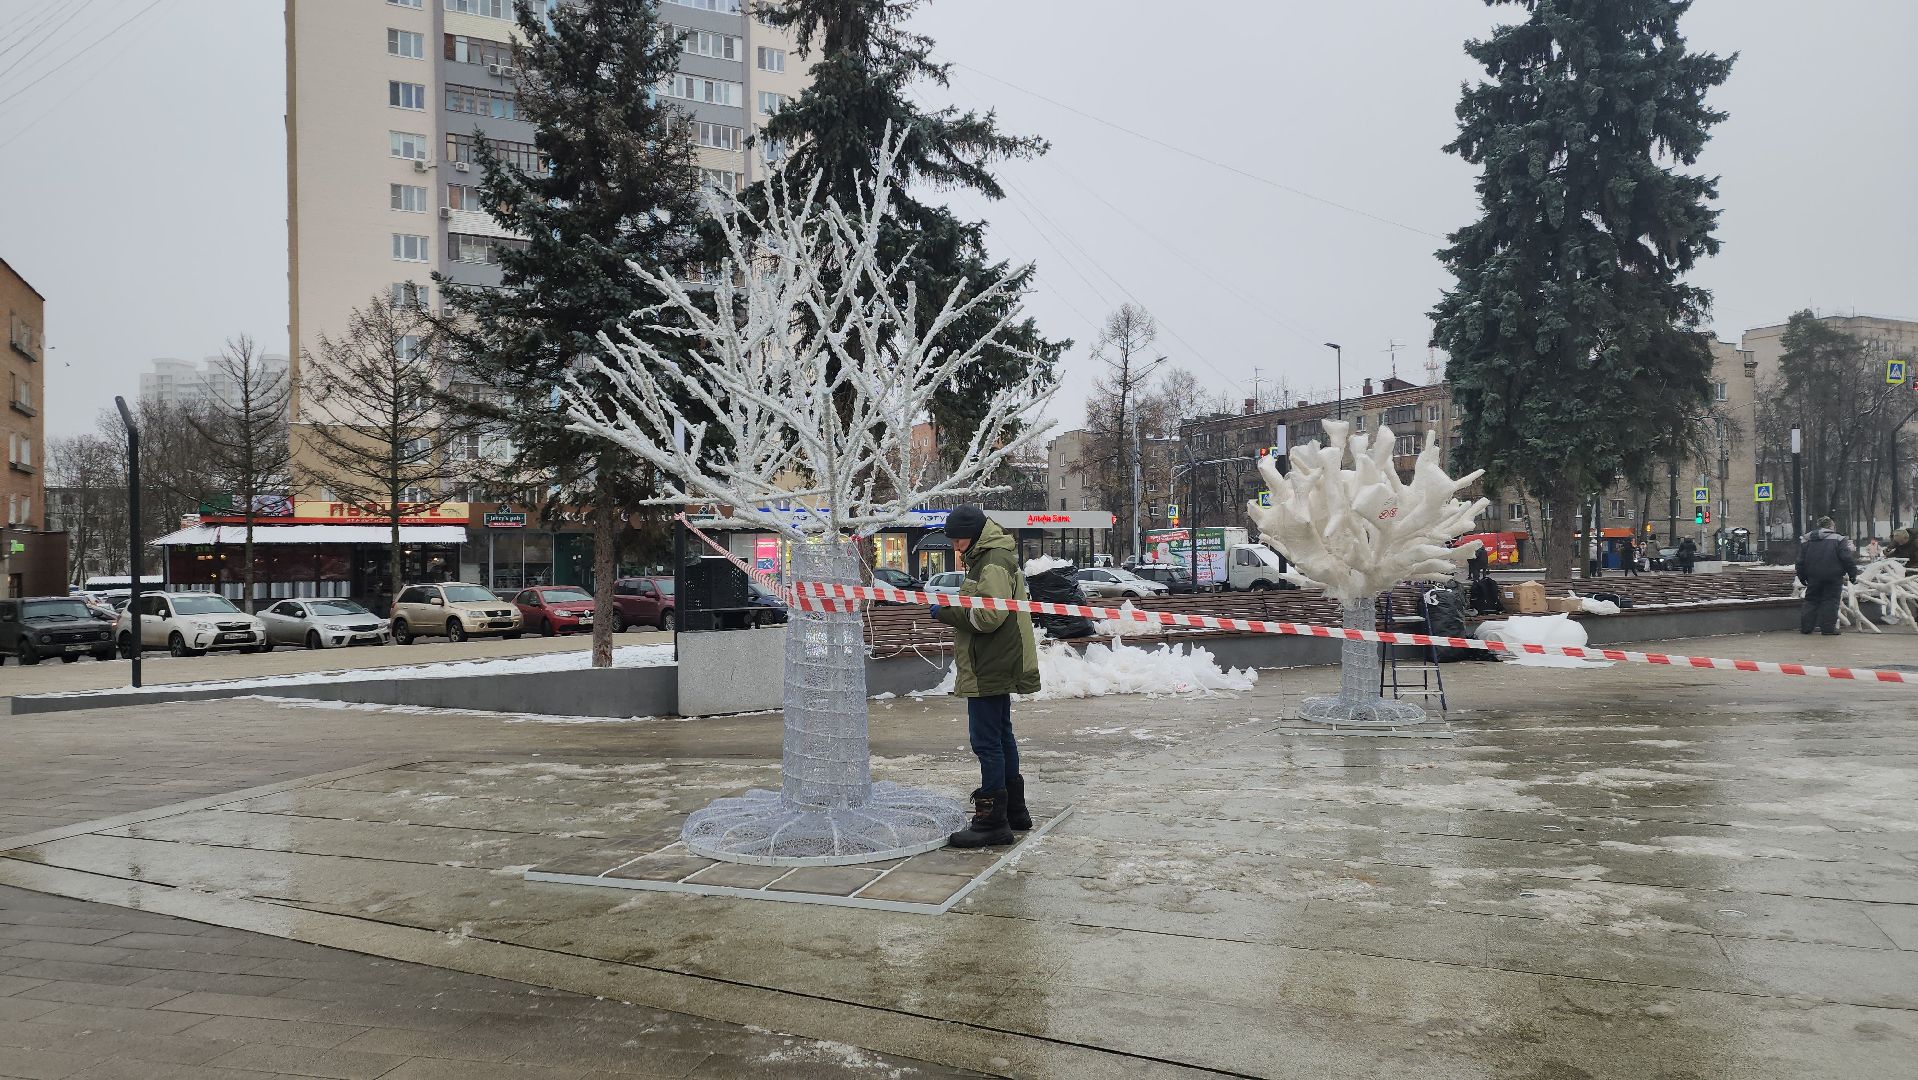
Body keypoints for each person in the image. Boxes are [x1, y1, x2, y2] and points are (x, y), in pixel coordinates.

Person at [929, 505, 1041, 848]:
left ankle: (992, 821)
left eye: (958, 538)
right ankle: (1014, 813)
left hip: (989, 662)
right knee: (1002, 736)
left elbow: (988, 617)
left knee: (986, 741)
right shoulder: (991, 555)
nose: (954, 545)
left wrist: (947, 613)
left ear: (973, 535)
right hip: (997, 659)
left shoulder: (991, 560)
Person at [1796, 516, 1860, 636]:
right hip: (1833, 576)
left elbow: (1800, 560)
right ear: (1831, 526)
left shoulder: (1807, 539)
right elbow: (1846, 558)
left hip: (1813, 576)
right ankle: (1827, 629)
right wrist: (1852, 573)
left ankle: (1806, 628)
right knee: (1830, 601)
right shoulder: (1839, 539)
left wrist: (1801, 575)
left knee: (1811, 600)